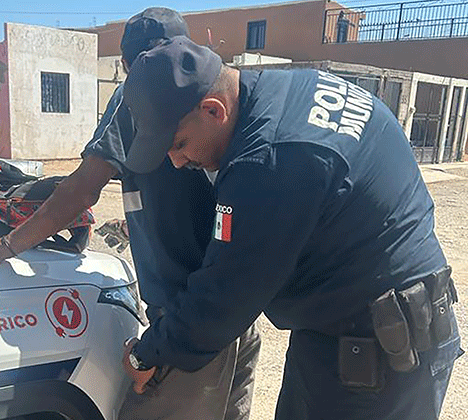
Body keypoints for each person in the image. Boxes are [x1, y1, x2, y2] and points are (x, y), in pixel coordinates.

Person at [0, 8, 260, 420]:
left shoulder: (141, 93)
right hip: (236, 310)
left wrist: (3, 245)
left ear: (128, 66)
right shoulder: (222, 93)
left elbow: (82, 189)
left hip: (188, 320)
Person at [119, 35, 462, 419]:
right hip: (357, 331)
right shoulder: (292, 88)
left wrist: (149, 351)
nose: (178, 162)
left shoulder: (268, 160)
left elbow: (226, 294)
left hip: (379, 360)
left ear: (214, 110)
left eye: (179, 144)